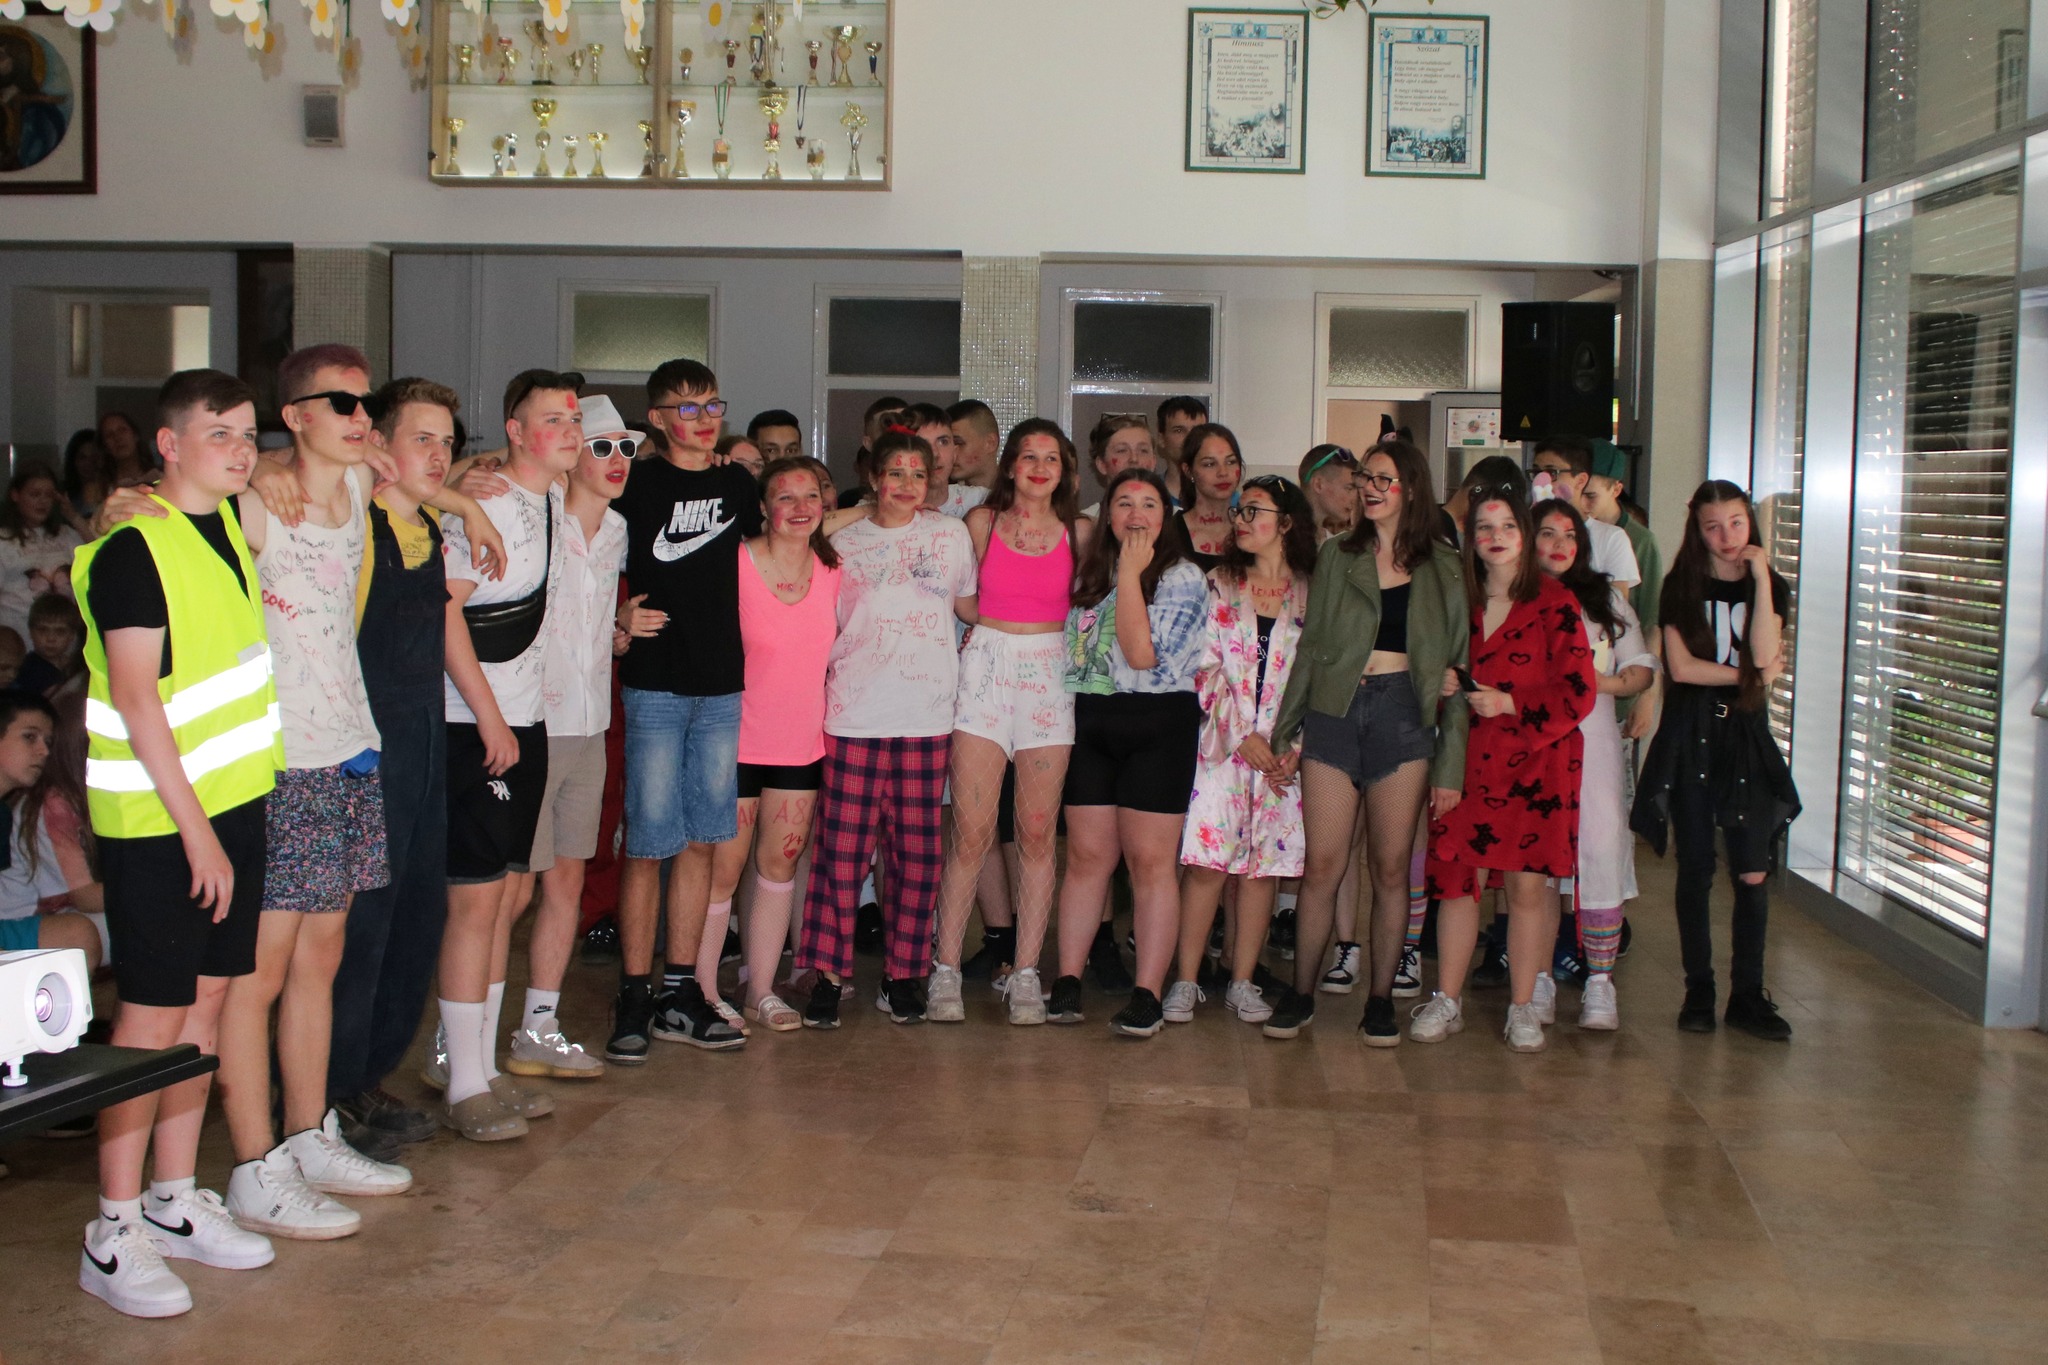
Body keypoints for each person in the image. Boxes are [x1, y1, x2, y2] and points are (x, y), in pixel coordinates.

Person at [76, 368, 283, 1318]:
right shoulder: (133, 546)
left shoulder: (227, 525)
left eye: (248, 433)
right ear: (168, 443)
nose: (240, 449)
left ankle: (171, 1197)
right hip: (163, 822)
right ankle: (112, 1227)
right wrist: (198, 835)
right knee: (150, 1020)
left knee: (205, 1004)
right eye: (218, 433)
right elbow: (135, 696)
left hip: (234, 805)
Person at [206, 344, 415, 1227]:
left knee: (321, 956)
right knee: (257, 970)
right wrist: (131, 496)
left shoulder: (361, 485)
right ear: (294, 417)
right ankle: (254, 1164)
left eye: (366, 402)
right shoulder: (258, 505)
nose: (361, 417)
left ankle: (307, 1130)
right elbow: (165, 517)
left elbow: (436, 477)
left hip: (348, 749)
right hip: (280, 761)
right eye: (342, 403)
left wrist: (460, 499)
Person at [1267, 440, 1468, 1043]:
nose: (1370, 489)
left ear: (1412, 487)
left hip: (1403, 715)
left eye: (1384, 479)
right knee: (1323, 864)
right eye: (1365, 479)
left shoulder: (1444, 564)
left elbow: (1457, 671)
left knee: (1389, 868)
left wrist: (1450, 768)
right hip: (1335, 712)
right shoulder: (1338, 555)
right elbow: (1312, 647)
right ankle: (1301, 993)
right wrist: (1285, 731)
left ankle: (1380, 1001)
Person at [433, 368, 580, 1139]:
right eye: (551, 419)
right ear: (516, 432)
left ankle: (480, 1066)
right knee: (476, 902)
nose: (570, 431)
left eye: (573, 418)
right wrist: (489, 719)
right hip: (472, 724)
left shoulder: (546, 497)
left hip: (524, 721)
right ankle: (462, 1080)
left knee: (507, 899)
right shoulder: (484, 501)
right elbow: (445, 615)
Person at [797, 429, 977, 1027]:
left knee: (917, 857)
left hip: (926, 715)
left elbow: (969, 608)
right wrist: (856, 510)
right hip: (854, 713)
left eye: (918, 475)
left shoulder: (950, 535)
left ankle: (904, 974)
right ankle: (828, 972)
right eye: (894, 473)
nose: (906, 484)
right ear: (874, 477)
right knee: (841, 854)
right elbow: (808, 549)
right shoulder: (840, 541)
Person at [327, 378, 464, 1157]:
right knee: (363, 928)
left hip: (426, 743)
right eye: (422, 438)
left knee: (418, 918)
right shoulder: (355, 522)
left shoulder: (431, 527)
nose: (438, 455)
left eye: (447, 440)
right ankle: (327, 1090)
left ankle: (370, 1073)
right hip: (366, 749)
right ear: (379, 444)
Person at [1412, 483, 1596, 1053]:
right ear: (1470, 538)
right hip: (1464, 763)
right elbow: (1425, 669)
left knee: (1526, 888)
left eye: (1508, 527)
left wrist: (1510, 702)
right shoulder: (1457, 598)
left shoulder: (1555, 602)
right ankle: (1447, 999)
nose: (1496, 537)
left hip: (1537, 767)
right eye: (1484, 528)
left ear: (1525, 535)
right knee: (1458, 885)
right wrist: (1442, 683)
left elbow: (1580, 691)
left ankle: (1523, 1006)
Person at [607, 358, 756, 1060]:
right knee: (648, 845)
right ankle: (634, 994)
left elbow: (796, 529)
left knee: (701, 841)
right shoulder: (634, 483)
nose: (702, 419)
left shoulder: (736, 484)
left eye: (712, 405)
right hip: (656, 686)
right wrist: (615, 619)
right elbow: (581, 557)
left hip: (722, 685)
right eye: (687, 408)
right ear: (658, 419)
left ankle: (679, 991)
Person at [928, 418, 1084, 1025]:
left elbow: (1090, 607)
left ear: (1064, 471)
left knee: (1038, 834)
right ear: (1011, 465)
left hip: (1049, 674)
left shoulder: (1080, 531)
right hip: (987, 669)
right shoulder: (980, 523)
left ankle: (1025, 974)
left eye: (1051, 458)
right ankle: (945, 969)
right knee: (971, 832)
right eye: (1029, 457)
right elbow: (962, 600)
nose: (1039, 468)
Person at [1632, 481, 1798, 1041]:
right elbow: (1683, 669)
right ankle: (1698, 990)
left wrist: (1761, 580)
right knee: (1697, 865)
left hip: (1744, 736)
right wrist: (1752, 675)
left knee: (1752, 869)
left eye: (1736, 523)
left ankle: (1747, 996)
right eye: (1713, 526)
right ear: (1697, 530)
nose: (1727, 536)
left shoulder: (1770, 586)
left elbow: (1765, 652)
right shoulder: (1681, 586)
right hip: (1691, 733)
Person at [1049, 467, 1207, 1036]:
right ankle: (1067, 980)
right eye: (1123, 503)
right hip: (1094, 719)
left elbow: (1142, 654)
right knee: (1087, 859)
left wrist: (1134, 575)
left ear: (1166, 518)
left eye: (1149, 504)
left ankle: (1148, 993)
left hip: (1158, 723)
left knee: (1149, 864)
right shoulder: (1089, 572)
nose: (1135, 514)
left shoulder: (1183, 577)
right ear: (1107, 514)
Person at [1166, 475, 1316, 1025]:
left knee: (1262, 870)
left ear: (1287, 523)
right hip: (1222, 747)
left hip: (1282, 758)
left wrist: (1293, 745)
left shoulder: (1312, 592)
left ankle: (1243, 981)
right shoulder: (1219, 584)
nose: (1243, 521)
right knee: (1207, 865)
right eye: (1239, 511)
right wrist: (1241, 734)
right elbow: (1201, 666)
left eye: (1255, 511)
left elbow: (1319, 676)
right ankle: (1186, 980)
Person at [512, 396, 632, 1079]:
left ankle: (539, 1025)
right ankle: (455, 1035)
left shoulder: (616, 529)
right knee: (506, 892)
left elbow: (586, 619)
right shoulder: (534, 513)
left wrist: (616, 633)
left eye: (627, 449)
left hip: (589, 724)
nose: (618, 461)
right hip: (532, 722)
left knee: (566, 879)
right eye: (603, 447)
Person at [708, 456, 841, 1033]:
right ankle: (703, 991)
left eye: (811, 496)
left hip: (799, 747)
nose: (800, 508)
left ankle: (760, 989)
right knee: (721, 870)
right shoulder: (734, 561)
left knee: (779, 865)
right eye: (785, 497)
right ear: (763, 507)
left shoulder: (835, 569)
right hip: (732, 742)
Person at [1532, 499, 1655, 1030]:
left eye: (1569, 535)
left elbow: (1640, 666)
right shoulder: (1513, 597)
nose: (1559, 544)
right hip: (1532, 745)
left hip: (1596, 741)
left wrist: (1599, 683)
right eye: (1547, 533)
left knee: (1601, 850)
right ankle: (1536, 978)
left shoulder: (1605, 599)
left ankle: (1600, 982)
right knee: (1535, 863)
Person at [0, 690, 103, 969]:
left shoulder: (3, 815)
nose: (44, 751)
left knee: (80, 934)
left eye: (48, 742)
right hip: (17, 916)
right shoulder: (49, 805)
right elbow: (82, 895)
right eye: (29, 737)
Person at [1586, 439, 1665, 740]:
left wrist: (1647, 696)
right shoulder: (1569, 532)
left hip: (1621, 687)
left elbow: (1652, 622)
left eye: (1591, 495)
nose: (1584, 504)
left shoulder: (1640, 541)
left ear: (1616, 489)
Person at [1529, 437, 1639, 595]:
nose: (1541, 481)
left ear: (1580, 480)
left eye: (1552, 473)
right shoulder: (1522, 530)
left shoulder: (1612, 538)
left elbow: (1617, 604)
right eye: (1536, 473)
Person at [0, 462, 83, 642]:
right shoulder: (3, 540)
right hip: (19, 637)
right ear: (16, 495)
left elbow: (102, 558)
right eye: (35, 494)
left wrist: (74, 516)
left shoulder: (67, 534)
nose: (43, 501)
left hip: (65, 639)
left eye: (49, 495)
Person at [1175, 422, 1243, 572]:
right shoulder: (1171, 533)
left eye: (1231, 462)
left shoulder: (1251, 527)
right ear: (1188, 471)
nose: (1223, 472)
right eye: (1210, 464)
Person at [1081, 414, 1160, 518]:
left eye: (1143, 450)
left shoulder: (1176, 520)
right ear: (1102, 464)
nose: (1134, 459)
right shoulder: (1086, 522)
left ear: (1153, 462)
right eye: (1122, 450)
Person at [838, 395, 909, 509]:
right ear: (868, 443)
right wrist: (870, 509)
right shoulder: (859, 508)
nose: (897, 442)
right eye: (886, 434)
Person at [17, 591, 83, 698]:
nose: (50, 639)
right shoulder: (28, 669)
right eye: (42, 630)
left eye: (60, 631)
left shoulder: (73, 664)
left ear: (72, 635)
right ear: (31, 632)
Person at [1298, 444, 1359, 544]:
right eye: (1349, 488)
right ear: (1318, 485)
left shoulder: (1332, 545)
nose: (1355, 498)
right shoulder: (1281, 538)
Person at [1156, 396, 1209, 503]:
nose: (1189, 438)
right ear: (1161, 439)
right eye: (1179, 430)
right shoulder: (1149, 493)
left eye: (1197, 430)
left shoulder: (1224, 497)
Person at [62, 428, 111, 533]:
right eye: (82, 458)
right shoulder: (64, 495)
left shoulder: (113, 490)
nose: (89, 463)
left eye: (94, 457)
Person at [947, 398, 1002, 491]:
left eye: (959, 443)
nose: (950, 452)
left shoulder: (1020, 494)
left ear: (990, 443)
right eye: (946, 444)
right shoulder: (943, 495)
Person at [98, 412, 156, 486]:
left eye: (122, 430)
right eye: (110, 435)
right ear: (105, 446)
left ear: (135, 435)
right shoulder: (98, 488)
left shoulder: (159, 477)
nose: (117, 438)